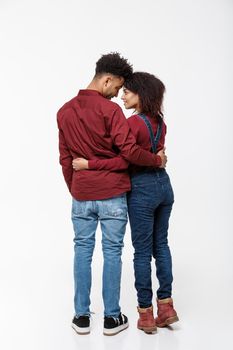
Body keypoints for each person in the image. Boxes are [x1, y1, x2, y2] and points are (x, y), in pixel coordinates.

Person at [57, 54, 167, 336]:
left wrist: (78, 187)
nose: (118, 94)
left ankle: (81, 317)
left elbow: (64, 158)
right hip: (113, 193)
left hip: (82, 193)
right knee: (112, 252)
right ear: (107, 79)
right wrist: (157, 161)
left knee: (82, 250)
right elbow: (128, 155)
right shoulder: (111, 111)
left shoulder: (64, 111)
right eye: (117, 87)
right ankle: (111, 318)